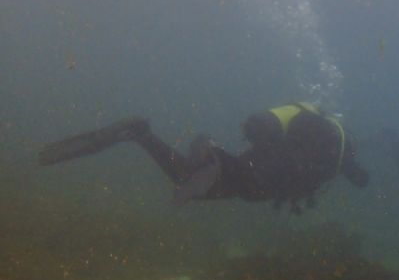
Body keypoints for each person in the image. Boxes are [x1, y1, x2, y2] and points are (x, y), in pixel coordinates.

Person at [38, 102, 369, 212]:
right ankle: (211, 150)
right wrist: (353, 169)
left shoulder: (308, 128)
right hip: (269, 177)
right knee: (243, 183)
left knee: (189, 178)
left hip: (261, 164)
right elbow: (360, 178)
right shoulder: (336, 145)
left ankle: (141, 134)